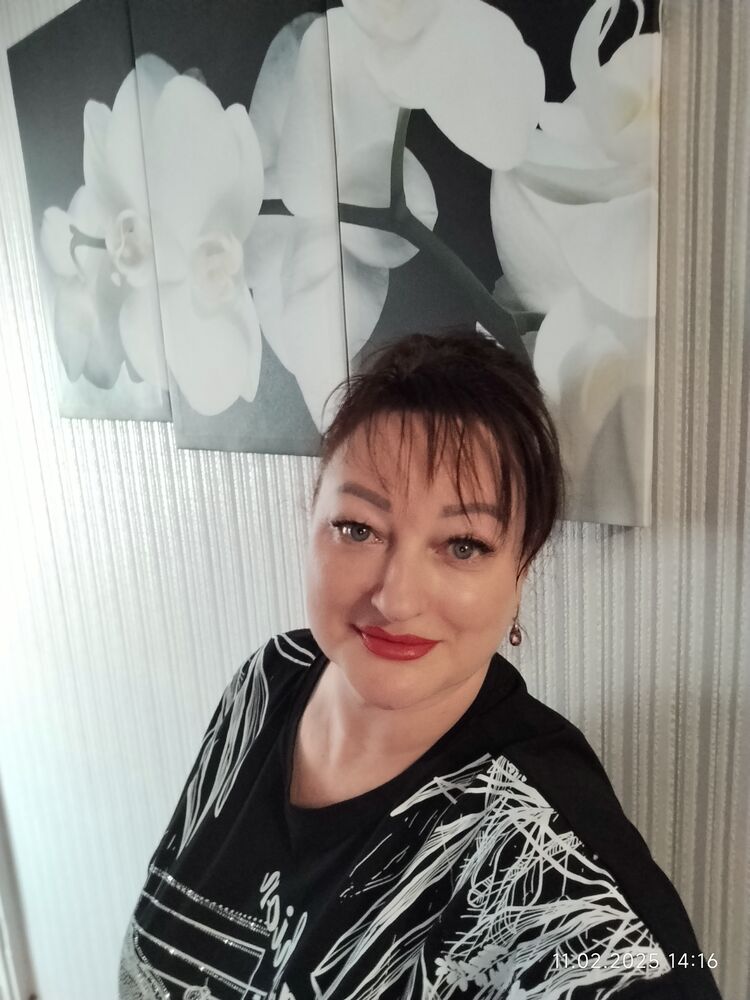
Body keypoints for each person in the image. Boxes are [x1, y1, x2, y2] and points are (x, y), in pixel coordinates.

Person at [118, 329, 721, 1000]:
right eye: (358, 529)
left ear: (521, 567)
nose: (396, 599)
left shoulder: (542, 849)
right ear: (311, 520)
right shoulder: (268, 680)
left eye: (463, 545)